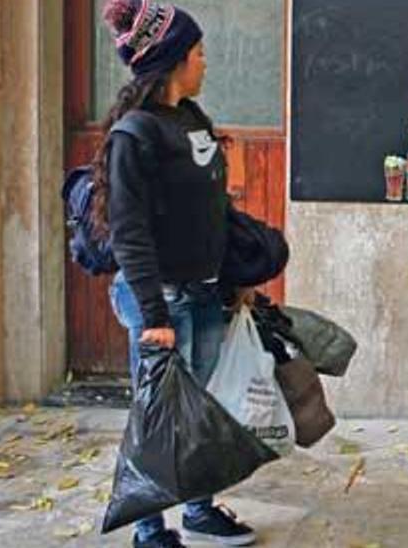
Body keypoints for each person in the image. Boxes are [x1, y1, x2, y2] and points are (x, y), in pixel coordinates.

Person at [96, 1, 257, 546]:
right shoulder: (134, 135)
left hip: (206, 291)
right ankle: (149, 527)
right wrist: (153, 316)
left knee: (201, 410)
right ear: (172, 60)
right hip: (159, 300)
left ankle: (198, 510)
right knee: (159, 414)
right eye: (198, 53)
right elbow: (130, 233)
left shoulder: (190, 120)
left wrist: (238, 279)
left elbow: (214, 213)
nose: (205, 62)